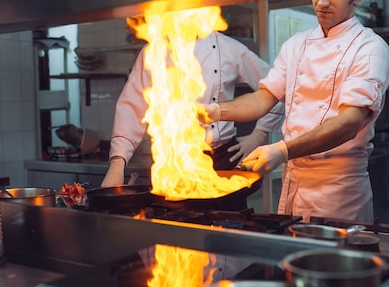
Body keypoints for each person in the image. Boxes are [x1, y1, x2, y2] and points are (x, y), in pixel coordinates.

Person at [201, 0, 389, 222]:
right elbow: (263, 98)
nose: (321, 1)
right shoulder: (296, 45)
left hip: (338, 191)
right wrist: (214, 111)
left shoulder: (370, 48)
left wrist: (283, 150)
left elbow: (349, 122)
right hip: (293, 181)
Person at [102, 30, 284, 187]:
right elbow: (132, 106)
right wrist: (117, 163)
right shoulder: (154, 51)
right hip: (173, 162)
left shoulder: (228, 48)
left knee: (228, 223)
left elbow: (278, 90)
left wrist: (259, 135)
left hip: (222, 160)